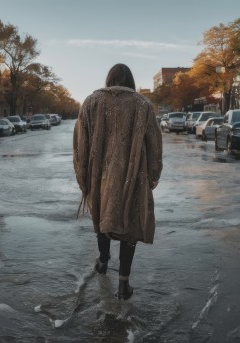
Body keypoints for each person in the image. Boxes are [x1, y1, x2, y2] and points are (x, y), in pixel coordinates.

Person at [73, 63, 163, 300]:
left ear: (109, 79)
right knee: (130, 224)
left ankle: (103, 260)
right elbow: (154, 144)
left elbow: (80, 146)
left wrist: (83, 178)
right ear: (130, 81)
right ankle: (124, 283)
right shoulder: (143, 104)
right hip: (134, 177)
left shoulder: (91, 102)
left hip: (99, 176)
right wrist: (153, 175)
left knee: (103, 217)